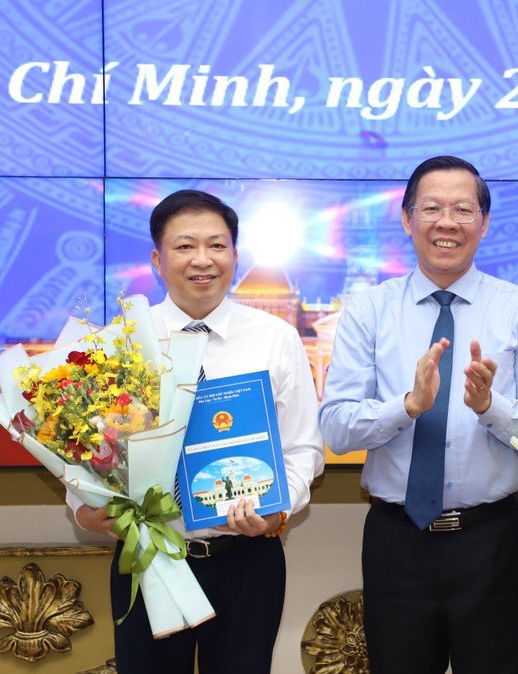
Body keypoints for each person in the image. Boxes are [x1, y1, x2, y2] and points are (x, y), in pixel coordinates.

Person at [319, 156, 518, 674]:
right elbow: (337, 428)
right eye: (430, 208)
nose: (446, 222)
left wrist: (488, 406)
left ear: (484, 222)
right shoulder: (368, 310)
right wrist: (408, 407)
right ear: (407, 219)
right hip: (398, 539)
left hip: (495, 538)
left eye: (462, 209)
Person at [68, 189, 325, 673]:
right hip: (150, 559)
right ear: (157, 260)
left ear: (234, 254)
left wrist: (275, 512)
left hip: (247, 560)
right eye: (185, 246)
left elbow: (302, 449)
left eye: (217, 245)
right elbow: (78, 452)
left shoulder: (276, 339)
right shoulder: (115, 344)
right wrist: (84, 511)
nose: (202, 260)